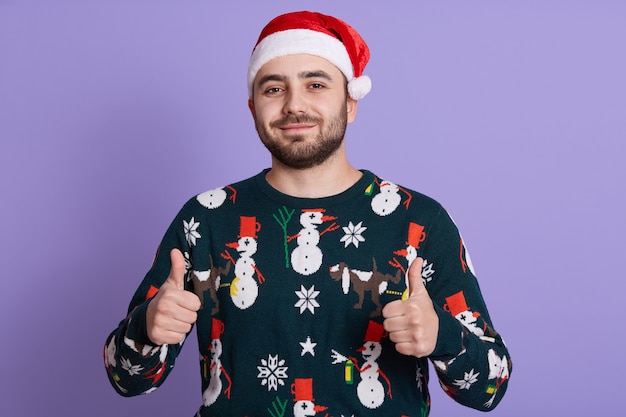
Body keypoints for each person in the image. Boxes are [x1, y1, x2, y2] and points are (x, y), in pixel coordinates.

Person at [104, 10, 511, 416]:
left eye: (315, 84)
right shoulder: (205, 219)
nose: (294, 105)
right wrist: (147, 328)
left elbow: (490, 389)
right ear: (253, 110)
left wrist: (442, 336)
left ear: (350, 103)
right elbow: (126, 380)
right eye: (273, 89)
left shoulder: (420, 221)